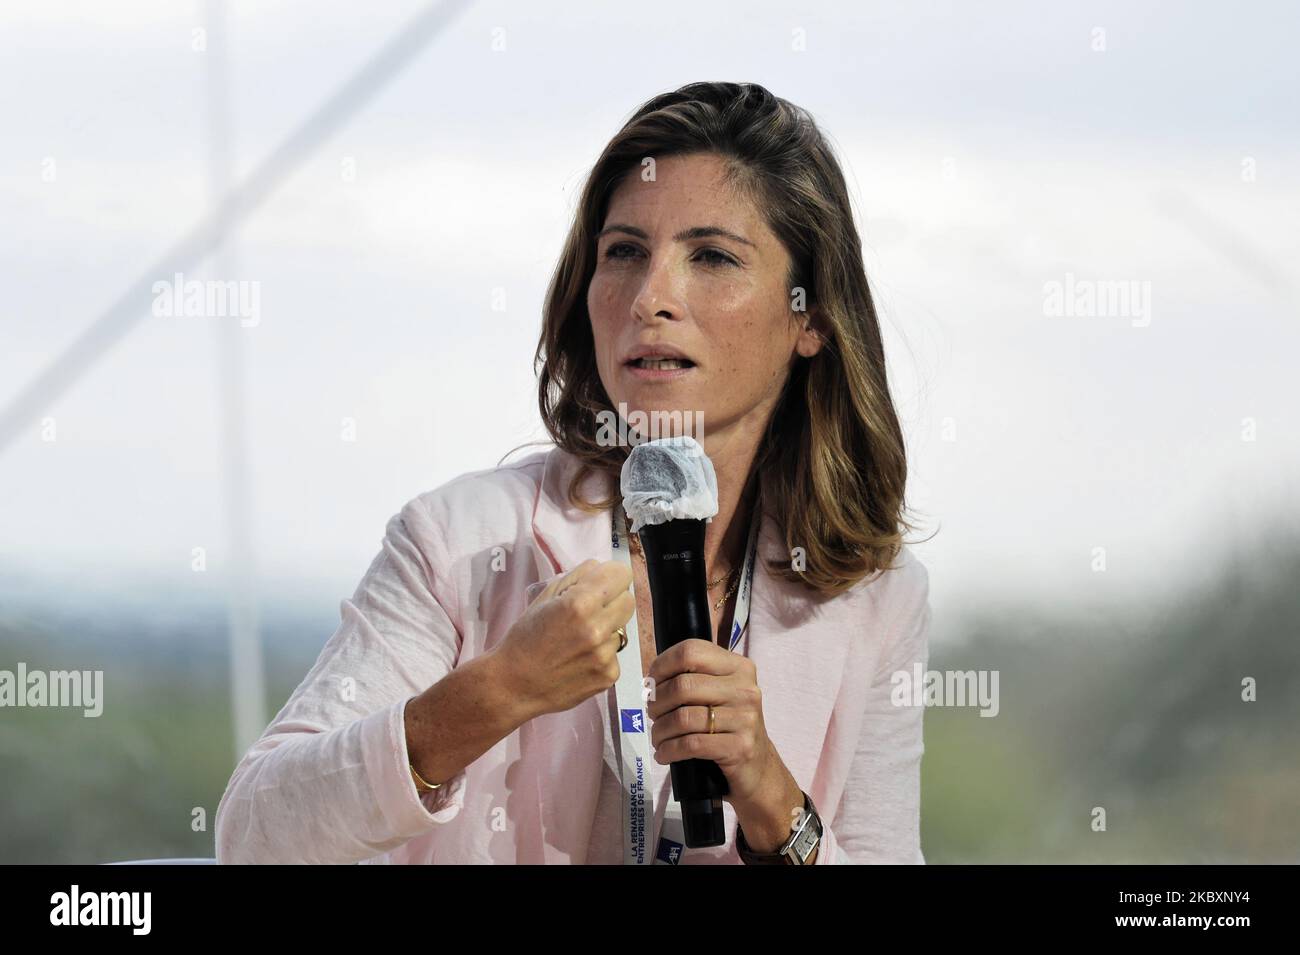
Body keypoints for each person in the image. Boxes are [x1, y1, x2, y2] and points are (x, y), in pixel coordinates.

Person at [214, 81, 932, 865]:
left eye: (713, 256)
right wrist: (494, 693)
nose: (651, 297)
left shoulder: (876, 597)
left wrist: (770, 795)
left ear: (812, 316)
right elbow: (253, 834)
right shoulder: (458, 539)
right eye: (624, 252)